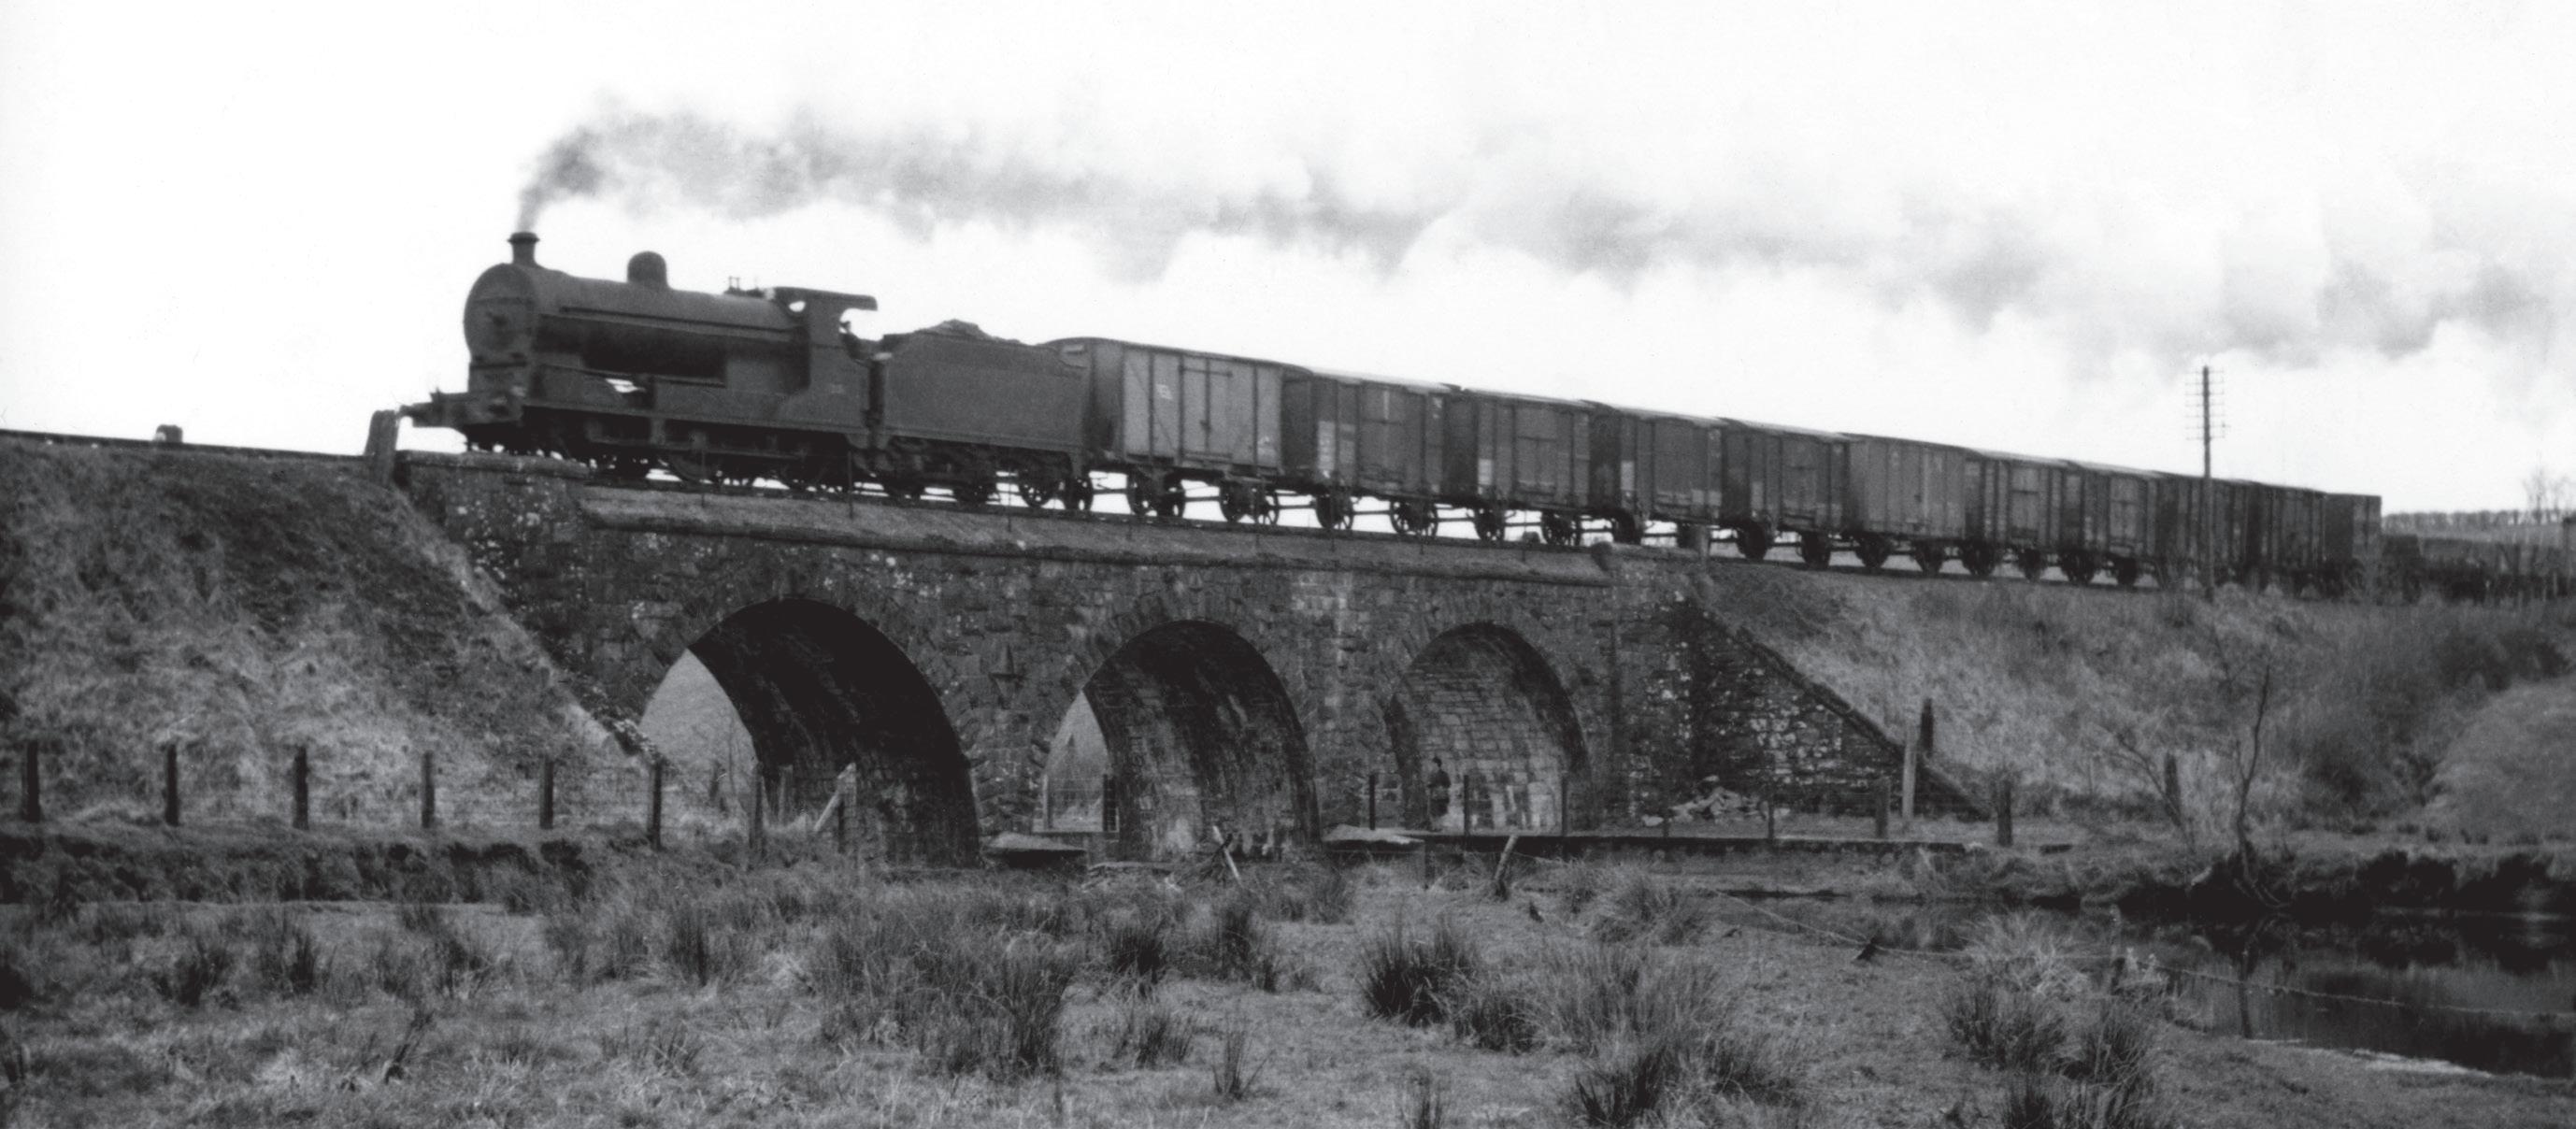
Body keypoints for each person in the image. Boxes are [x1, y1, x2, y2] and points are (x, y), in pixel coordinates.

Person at [1425, 758, 1453, 831]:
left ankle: (1438, 827)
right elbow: (1428, 784)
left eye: (1433, 764)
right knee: (1432, 812)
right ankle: (1434, 827)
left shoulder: (1444, 774)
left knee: (1440, 812)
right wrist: (1429, 785)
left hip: (1441, 795)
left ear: (1437, 764)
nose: (1432, 765)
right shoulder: (1431, 774)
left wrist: (1441, 787)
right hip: (1433, 795)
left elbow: (1448, 784)